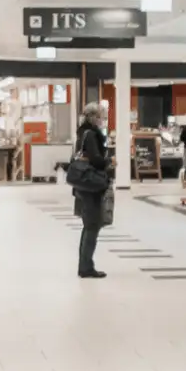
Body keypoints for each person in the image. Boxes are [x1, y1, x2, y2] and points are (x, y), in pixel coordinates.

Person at [73, 101, 111, 279]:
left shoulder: (82, 132)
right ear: (92, 117)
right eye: (100, 117)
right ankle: (86, 267)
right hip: (91, 185)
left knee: (89, 224)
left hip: (83, 184)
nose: (102, 120)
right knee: (92, 225)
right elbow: (96, 159)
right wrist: (109, 162)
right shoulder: (91, 134)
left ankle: (85, 264)